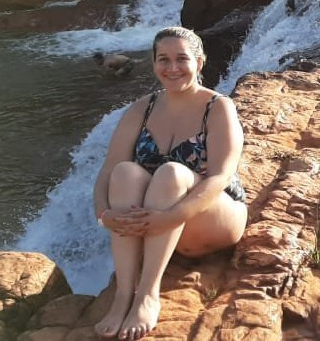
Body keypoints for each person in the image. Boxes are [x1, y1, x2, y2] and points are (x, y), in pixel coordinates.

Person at [92, 27, 247, 340]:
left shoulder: (218, 107)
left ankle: (148, 293)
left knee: (172, 173)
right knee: (125, 172)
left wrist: (171, 217)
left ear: (199, 63)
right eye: (164, 59)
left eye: (181, 59)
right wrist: (103, 214)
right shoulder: (142, 108)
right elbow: (108, 172)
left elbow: (220, 177)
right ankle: (124, 293)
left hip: (213, 215)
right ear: (153, 63)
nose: (172, 67)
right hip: (157, 221)